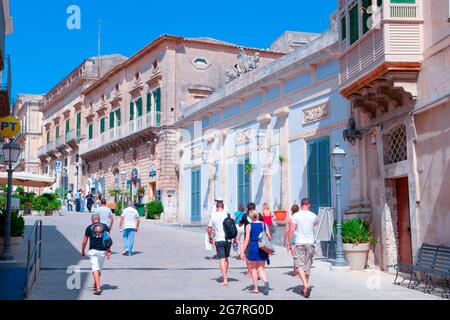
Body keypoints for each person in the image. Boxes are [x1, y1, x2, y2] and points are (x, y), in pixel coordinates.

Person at [287, 198, 319, 298]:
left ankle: (306, 285)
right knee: (307, 266)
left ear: (301, 205)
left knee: (299, 265)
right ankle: (305, 289)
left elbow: (292, 230)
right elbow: (316, 224)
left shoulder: (296, 215)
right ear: (309, 205)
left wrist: (288, 242)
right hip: (310, 242)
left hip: (299, 243)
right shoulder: (314, 215)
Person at [81, 213, 112, 295]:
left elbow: (85, 241)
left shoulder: (89, 227)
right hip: (102, 251)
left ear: (92, 220)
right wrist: (109, 250)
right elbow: (107, 240)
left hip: (93, 250)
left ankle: (97, 288)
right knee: (99, 269)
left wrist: (83, 250)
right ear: (99, 219)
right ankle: (97, 286)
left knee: (95, 268)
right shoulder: (105, 226)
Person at [243, 209, 271, 295]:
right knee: (261, 268)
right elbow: (269, 237)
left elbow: (247, 239)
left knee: (254, 269)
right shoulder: (264, 224)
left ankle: (256, 288)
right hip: (262, 248)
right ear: (258, 215)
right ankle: (265, 282)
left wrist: (243, 251)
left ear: (250, 217)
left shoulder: (249, 226)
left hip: (254, 247)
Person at [207, 201, 231, 286]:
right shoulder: (228, 215)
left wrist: (210, 237)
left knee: (221, 259)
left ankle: (225, 279)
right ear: (223, 207)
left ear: (216, 208)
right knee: (226, 259)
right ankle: (225, 275)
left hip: (219, 240)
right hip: (228, 240)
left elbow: (209, 229)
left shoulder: (213, 216)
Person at [239, 203, 263, 277]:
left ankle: (250, 272)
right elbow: (263, 223)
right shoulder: (259, 215)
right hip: (259, 238)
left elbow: (240, 224)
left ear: (247, 208)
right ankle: (258, 272)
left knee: (247, 255)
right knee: (258, 254)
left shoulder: (245, 215)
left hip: (248, 237)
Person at [285, 204, 300, 276]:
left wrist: (287, 241)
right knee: (299, 254)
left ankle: (295, 271)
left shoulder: (289, 218)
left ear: (291, 210)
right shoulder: (300, 218)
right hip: (300, 237)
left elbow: (287, 230)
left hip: (293, 236)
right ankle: (298, 270)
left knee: (295, 255)